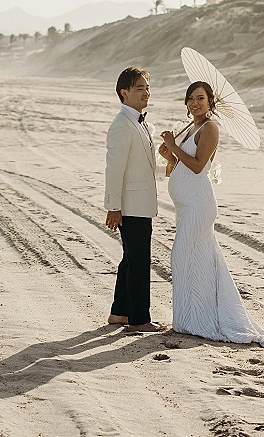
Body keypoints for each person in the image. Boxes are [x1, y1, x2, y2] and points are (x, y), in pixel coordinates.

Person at [159, 81, 264, 348]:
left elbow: (199, 166)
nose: (194, 103)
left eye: (200, 98)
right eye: (190, 98)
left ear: (210, 102)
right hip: (186, 206)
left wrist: (173, 145)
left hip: (199, 205)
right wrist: (170, 156)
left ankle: (196, 321)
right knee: (194, 262)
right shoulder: (192, 127)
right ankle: (188, 321)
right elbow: (178, 167)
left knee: (181, 256)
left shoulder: (211, 128)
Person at [104, 66, 163, 333]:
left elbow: (146, 165)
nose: (146, 93)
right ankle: (139, 318)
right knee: (139, 261)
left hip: (140, 203)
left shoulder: (142, 123)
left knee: (130, 259)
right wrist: (114, 207)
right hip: (130, 206)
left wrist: (169, 163)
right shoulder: (121, 125)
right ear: (124, 93)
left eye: (147, 88)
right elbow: (114, 169)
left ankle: (120, 313)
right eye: (140, 88)